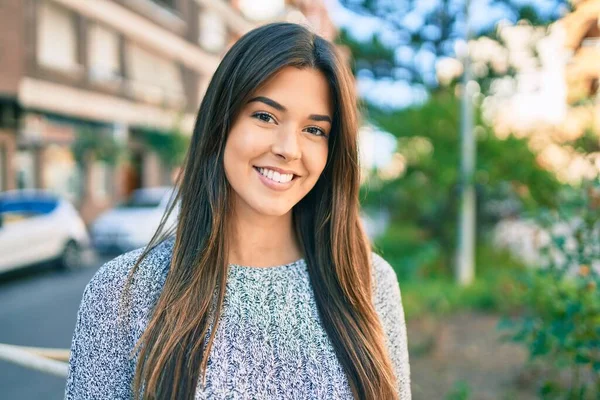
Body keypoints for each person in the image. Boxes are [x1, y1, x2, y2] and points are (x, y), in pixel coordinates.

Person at [64, 22, 411, 400]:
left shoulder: (369, 283)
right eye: (265, 116)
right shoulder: (122, 292)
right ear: (221, 122)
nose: (288, 149)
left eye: (314, 130)